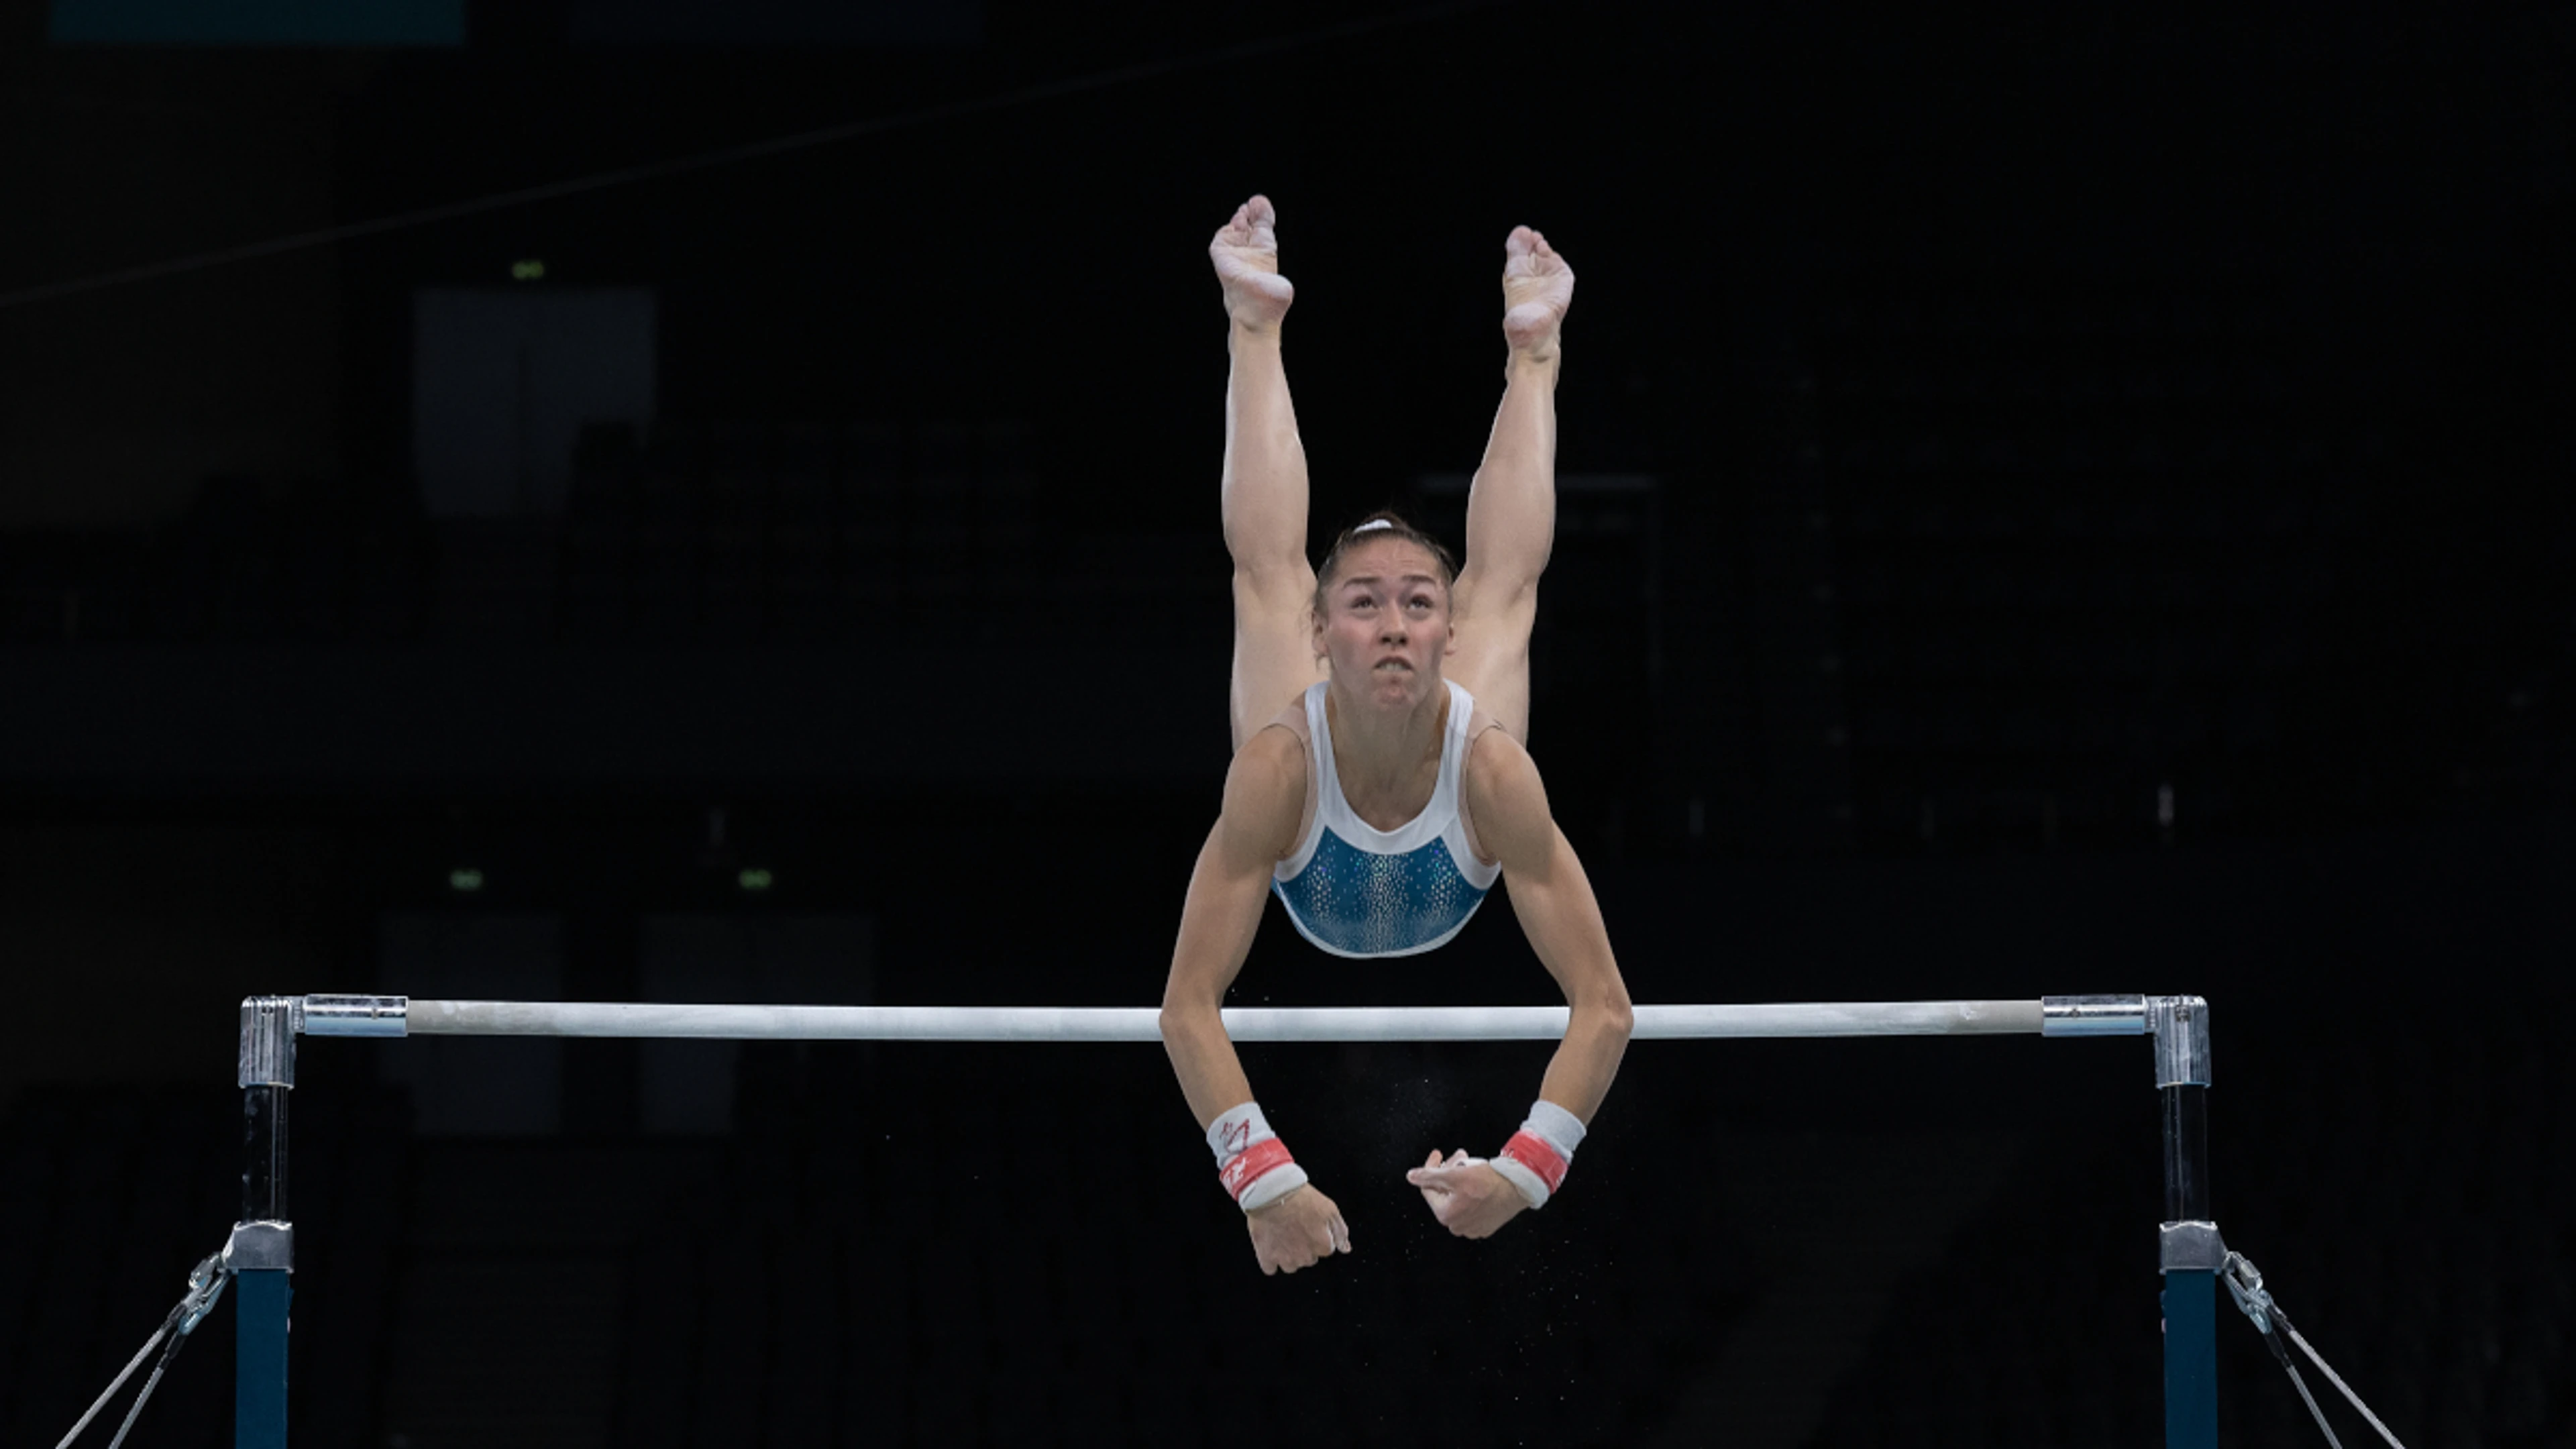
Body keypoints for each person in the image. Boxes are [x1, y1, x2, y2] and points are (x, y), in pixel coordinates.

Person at [1159, 195, 1635, 1276]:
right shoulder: (1280, 771)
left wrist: (1522, 1173)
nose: (1393, 625)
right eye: (1364, 604)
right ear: (1325, 638)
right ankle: (1251, 323)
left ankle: (1536, 351)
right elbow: (1187, 1005)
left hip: (1443, 806)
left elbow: (1605, 1008)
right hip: (1310, 818)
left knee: (1508, 592)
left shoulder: (1492, 773)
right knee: (1266, 580)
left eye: (1419, 603)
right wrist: (1265, 1183)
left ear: (1440, 630)